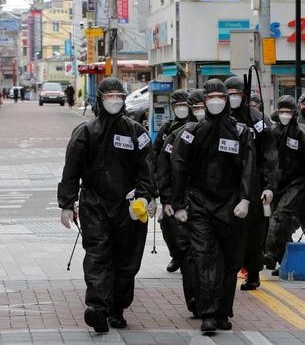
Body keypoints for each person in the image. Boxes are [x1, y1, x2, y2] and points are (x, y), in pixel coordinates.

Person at [57, 77, 155, 333]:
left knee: (125, 261)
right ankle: (98, 309)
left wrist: (145, 197)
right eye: (109, 96)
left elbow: (147, 170)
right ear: (100, 99)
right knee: (98, 256)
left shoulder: (138, 133)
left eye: (119, 96)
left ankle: (117, 308)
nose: (115, 100)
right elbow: (71, 172)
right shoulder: (85, 133)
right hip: (94, 205)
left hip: (128, 206)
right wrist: (67, 204)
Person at [171, 79, 254, 333]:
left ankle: (223, 312)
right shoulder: (190, 132)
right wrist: (178, 204)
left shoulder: (241, 131)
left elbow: (249, 167)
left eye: (221, 96)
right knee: (206, 259)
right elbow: (177, 165)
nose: (216, 101)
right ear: (203, 101)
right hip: (199, 205)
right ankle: (208, 314)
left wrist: (245, 198)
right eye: (211, 97)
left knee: (230, 261)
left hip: (231, 206)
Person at [224, 76, 278, 291]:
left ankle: (253, 272)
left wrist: (269, 186)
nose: (232, 97)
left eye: (236, 93)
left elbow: (270, 156)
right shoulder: (221, 118)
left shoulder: (258, 120)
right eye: (229, 93)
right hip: (227, 184)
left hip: (255, 183)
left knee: (254, 232)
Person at [264, 95, 305, 273]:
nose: (285, 115)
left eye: (288, 112)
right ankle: (279, 257)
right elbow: (266, 160)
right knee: (280, 220)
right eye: (281, 111)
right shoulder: (271, 132)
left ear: (295, 113)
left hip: (301, 183)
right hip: (278, 184)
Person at [157, 89, 204, 318]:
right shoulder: (174, 132)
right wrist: (165, 197)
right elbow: (161, 163)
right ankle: (195, 298)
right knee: (186, 249)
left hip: (215, 202)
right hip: (182, 198)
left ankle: (216, 303)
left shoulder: (229, 130)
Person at [153, 89, 190, 274]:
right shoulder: (167, 129)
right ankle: (177, 255)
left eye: (185, 105)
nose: (181, 109)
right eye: (177, 105)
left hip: (192, 187)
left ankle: (190, 257)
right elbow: (156, 157)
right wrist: (156, 189)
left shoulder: (197, 126)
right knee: (167, 221)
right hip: (172, 187)